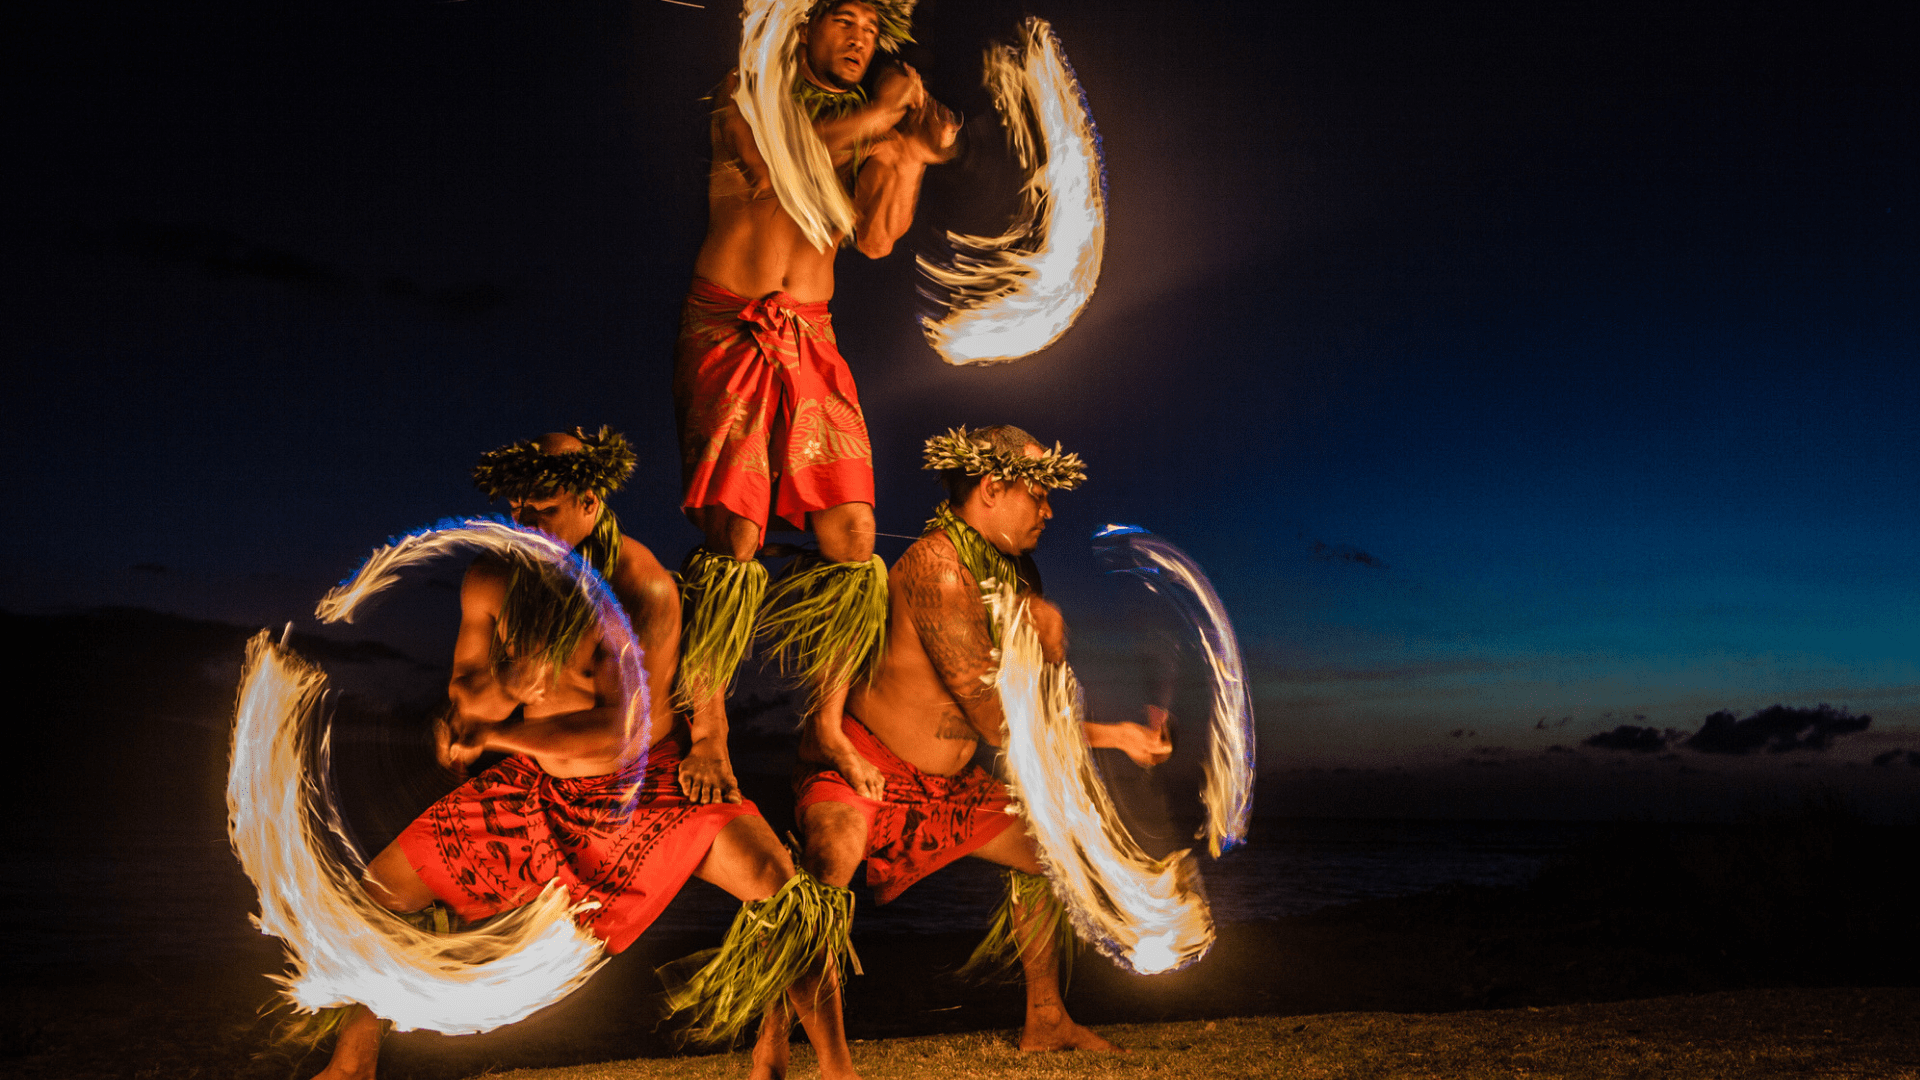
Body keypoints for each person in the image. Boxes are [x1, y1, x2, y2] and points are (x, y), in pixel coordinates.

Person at [312, 429, 858, 1080]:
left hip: (645, 788)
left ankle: (834, 1071)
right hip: (537, 787)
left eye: (544, 508)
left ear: (590, 503)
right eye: (517, 507)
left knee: (785, 892)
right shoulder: (492, 577)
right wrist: (499, 693)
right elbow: (467, 693)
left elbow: (617, 734)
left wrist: (496, 734)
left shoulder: (641, 587)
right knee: (379, 892)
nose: (524, 522)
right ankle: (351, 1066)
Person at [773, 425, 1163, 1071]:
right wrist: (1115, 735)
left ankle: (1046, 1020)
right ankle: (805, 1054)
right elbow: (997, 724)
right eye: (1038, 493)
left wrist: (1049, 648)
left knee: (1046, 852)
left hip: (946, 790)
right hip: (866, 769)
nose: (1049, 510)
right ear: (991, 488)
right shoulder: (939, 571)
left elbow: (1030, 694)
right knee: (828, 866)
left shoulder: (1012, 572)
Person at [673, 0, 960, 765]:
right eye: (845, 20)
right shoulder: (748, 90)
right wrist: (886, 115)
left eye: (871, 28)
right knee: (736, 533)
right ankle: (709, 730)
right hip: (729, 328)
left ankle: (824, 725)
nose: (861, 38)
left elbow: (877, 238)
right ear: (805, 25)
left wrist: (910, 157)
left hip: (813, 336)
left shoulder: (866, 127)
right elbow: (775, 170)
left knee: (854, 536)